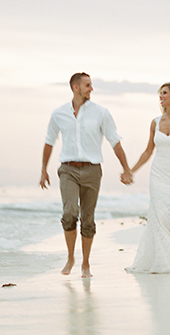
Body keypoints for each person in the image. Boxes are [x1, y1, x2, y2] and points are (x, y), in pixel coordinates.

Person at [41, 73, 133, 278]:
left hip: (92, 170)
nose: (91, 89)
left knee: (88, 219)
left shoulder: (101, 113)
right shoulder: (59, 113)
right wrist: (43, 170)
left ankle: (86, 263)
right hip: (68, 169)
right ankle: (71, 257)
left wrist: (126, 168)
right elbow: (49, 141)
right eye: (88, 85)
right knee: (70, 213)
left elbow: (114, 141)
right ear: (76, 87)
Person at [125, 82, 170, 274]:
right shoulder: (155, 122)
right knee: (159, 215)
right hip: (158, 174)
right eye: (160, 93)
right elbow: (148, 151)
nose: (161, 96)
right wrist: (131, 170)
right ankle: (162, 260)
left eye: (164, 93)